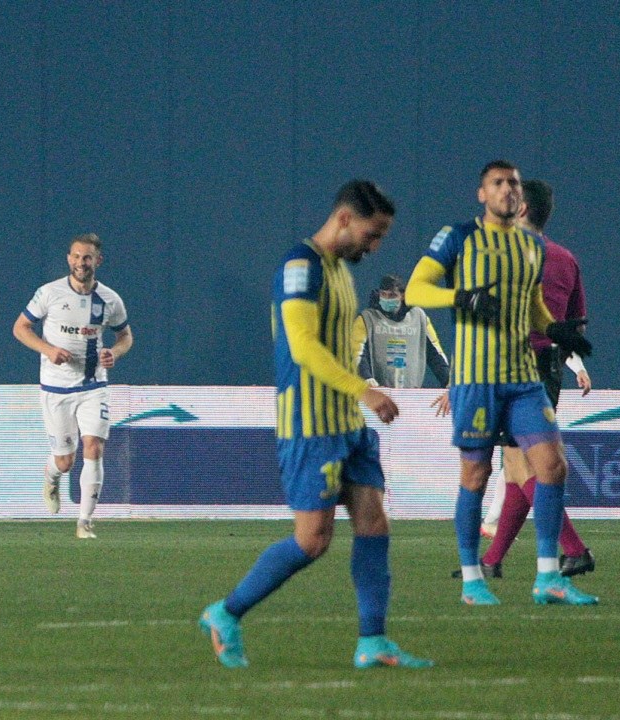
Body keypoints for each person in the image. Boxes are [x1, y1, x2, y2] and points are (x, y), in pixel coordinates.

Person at [199, 180, 433, 670]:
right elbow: (303, 346)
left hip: (348, 424)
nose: (375, 247)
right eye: (372, 234)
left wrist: (357, 401)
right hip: (310, 425)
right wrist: (364, 390)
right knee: (312, 540)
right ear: (345, 218)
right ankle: (226, 613)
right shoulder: (299, 267)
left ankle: (373, 641)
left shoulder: (340, 272)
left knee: (373, 522)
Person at [404, 160, 597, 606]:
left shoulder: (532, 247)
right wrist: (459, 297)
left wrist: (555, 330)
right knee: (476, 474)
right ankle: (473, 581)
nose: (507, 189)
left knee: (552, 466)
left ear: (521, 196)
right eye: (498, 183)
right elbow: (415, 290)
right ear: (482, 194)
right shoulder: (457, 238)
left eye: (513, 182)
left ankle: (548, 577)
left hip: (525, 378)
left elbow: (533, 307)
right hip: (477, 379)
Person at [473, 179, 596, 577]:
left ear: (521, 209)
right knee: (516, 465)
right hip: (550, 367)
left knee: (525, 466)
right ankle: (492, 561)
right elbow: (576, 324)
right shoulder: (566, 259)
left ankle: (575, 550)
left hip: (512, 366)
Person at [12, 233, 132, 539]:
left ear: (98, 261)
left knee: (94, 446)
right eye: (76, 256)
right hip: (56, 389)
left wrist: (114, 353)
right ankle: (51, 476)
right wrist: (48, 350)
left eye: (87, 257)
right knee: (65, 461)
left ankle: (84, 522)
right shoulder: (49, 293)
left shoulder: (110, 299)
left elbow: (125, 336)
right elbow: (20, 328)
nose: (81, 262)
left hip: (93, 386)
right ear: (68, 259)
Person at [354, 274, 450, 388]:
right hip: (377, 390)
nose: (387, 299)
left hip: (410, 391)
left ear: (403, 295)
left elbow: (435, 354)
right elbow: (357, 352)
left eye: (392, 295)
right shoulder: (366, 319)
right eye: (383, 294)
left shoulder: (419, 318)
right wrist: (366, 377)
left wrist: (448, 380)